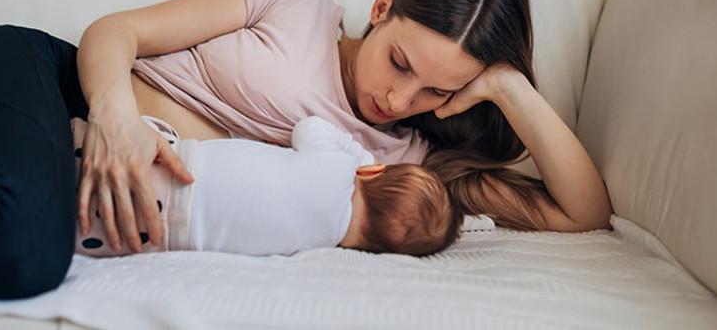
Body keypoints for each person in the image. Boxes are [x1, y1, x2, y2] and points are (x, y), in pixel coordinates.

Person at [0, 0, 612, 299]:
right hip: (30, 84)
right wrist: (115, 116)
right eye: (401, 62)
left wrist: (508, 88)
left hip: (43, 170)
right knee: (23, 247)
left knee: (22, 241)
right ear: (381, 8)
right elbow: (114, 32)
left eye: (436, 92)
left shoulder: (405, 163)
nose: (399, 99)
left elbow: (582, 213)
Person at [73, 116, 462, 258]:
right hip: (168, 236)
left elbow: (307, 129)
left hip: (180, 168)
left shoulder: (340, 166)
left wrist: (358, 156)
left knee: (87, 146)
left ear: (376, 172)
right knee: (94, 224)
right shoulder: (317, 247)